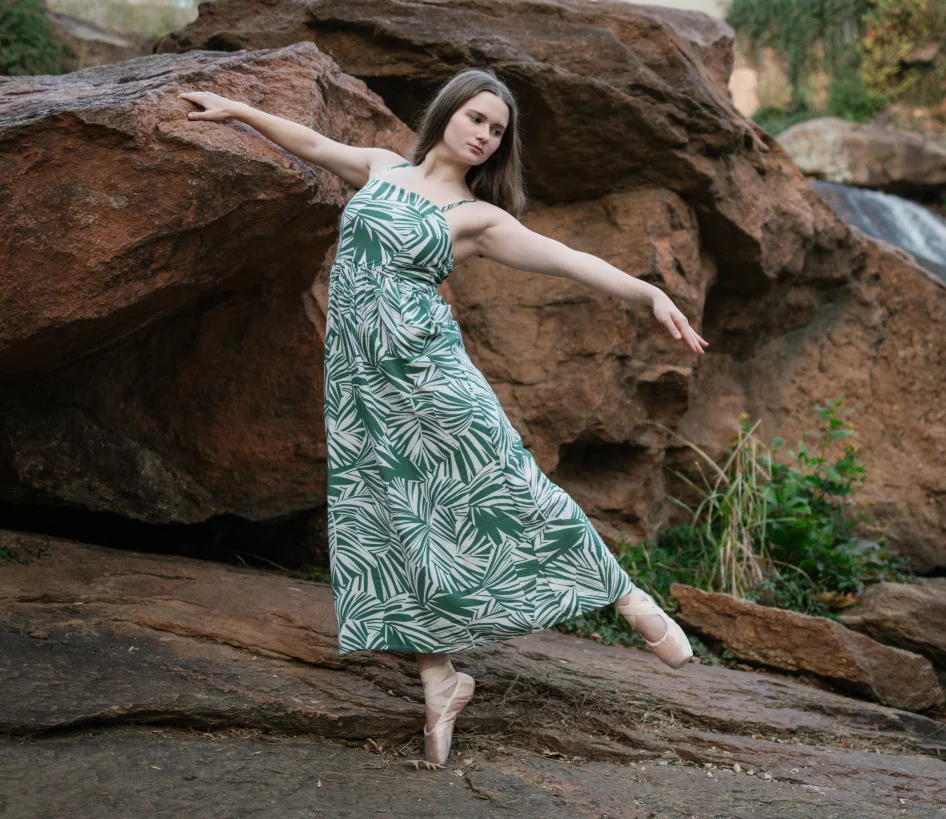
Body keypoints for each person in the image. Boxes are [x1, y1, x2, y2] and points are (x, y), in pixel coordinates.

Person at [178, 65, 709, 769]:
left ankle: (627, 597)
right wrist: (237, 108)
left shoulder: (478, 218)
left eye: (498, 129)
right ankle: (440, 677)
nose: (486, 134)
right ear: (448, 113)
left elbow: (566, 260)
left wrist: (646, 295)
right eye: (478, 118)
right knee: (391, 519)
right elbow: (308, 140)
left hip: (431, 372)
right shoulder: (380, 167)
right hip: (362, 386)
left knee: (506, 479)